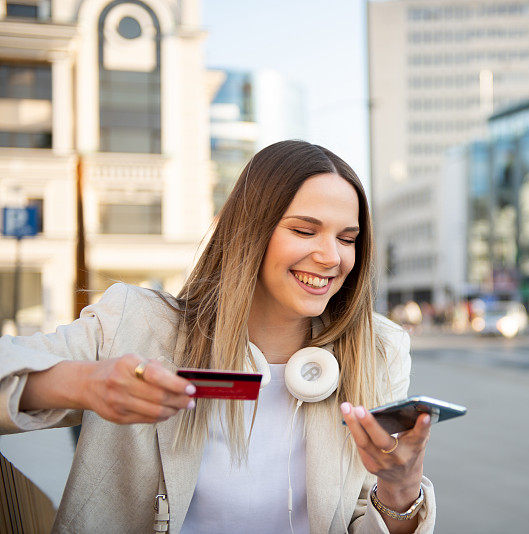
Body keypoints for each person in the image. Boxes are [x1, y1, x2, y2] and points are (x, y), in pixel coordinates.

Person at [0, 141, 436, 533]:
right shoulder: (135, 326)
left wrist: (399, 493)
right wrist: (84, 383)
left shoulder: (380, 352)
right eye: (304, 230)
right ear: (249, 231)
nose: (331, 257)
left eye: (347, 238)